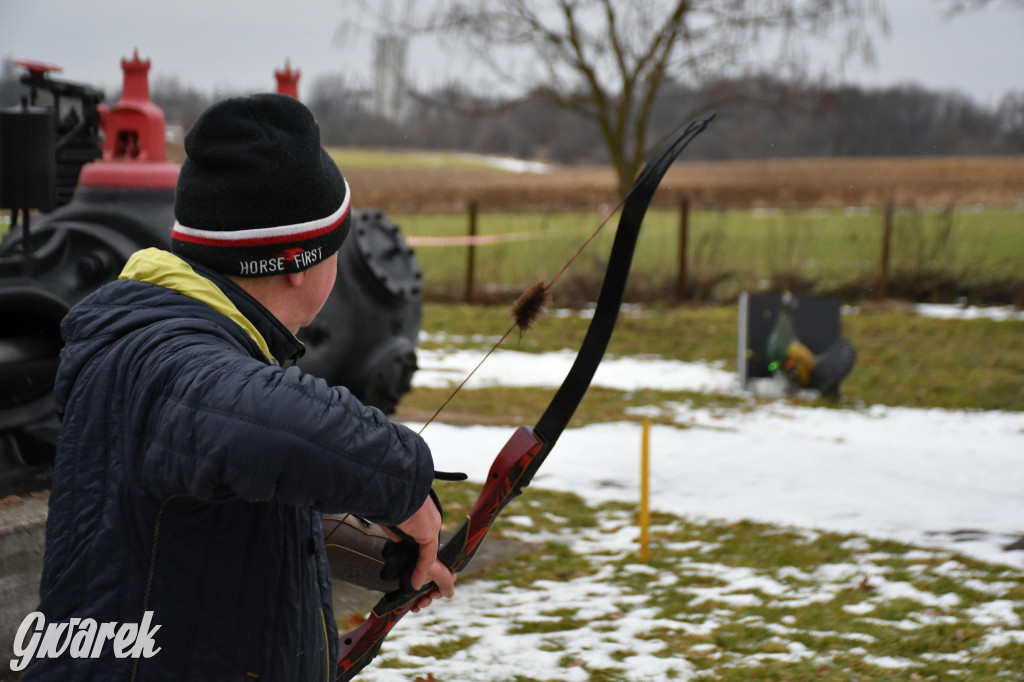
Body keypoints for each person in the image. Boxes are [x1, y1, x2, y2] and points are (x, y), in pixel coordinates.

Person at [25, 93, 455, 681]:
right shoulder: (167, 359)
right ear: (299, 262)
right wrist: (404, 482)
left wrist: (388, 555)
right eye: (336, 245)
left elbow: (233, 497)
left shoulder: (190, 349)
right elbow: (266, 424)